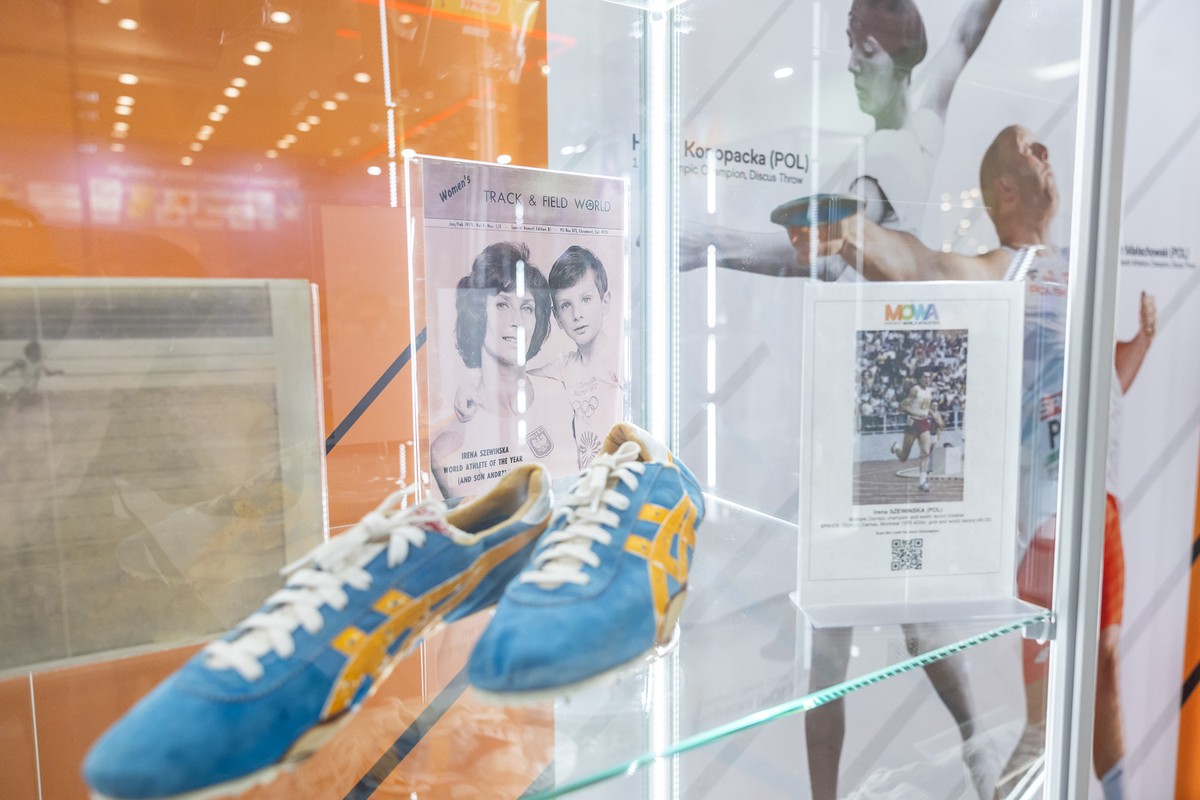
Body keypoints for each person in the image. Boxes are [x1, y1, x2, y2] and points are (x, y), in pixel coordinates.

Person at [795, 124, 1134, 800]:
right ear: (1005, 189)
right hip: (1043, 525)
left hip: (1098, 506)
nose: (1047, 154)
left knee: (1104, 674)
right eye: (1030, 148)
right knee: (1045, 717)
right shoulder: (1001, 272)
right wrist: (848, 231)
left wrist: (1139, 345)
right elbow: (922, 265)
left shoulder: (1079, 268)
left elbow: (1103, 385)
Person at [430, 242, 577, 499]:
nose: (517, 321)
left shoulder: (560, 394)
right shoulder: (450, 444)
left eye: (527, 308)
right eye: (502, 305)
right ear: (478, 315)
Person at [532, 246, 623, 467]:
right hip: (589, 480)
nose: (577, 314)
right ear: (557, 317)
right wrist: (473, 384)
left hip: (623, 475)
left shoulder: (618, 359)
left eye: (586, 299)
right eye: (566, 305)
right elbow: (516, 377)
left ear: (605, 302)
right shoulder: (565, 367)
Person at [892, 368, 944, 492]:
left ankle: (922, 482)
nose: (927, 379)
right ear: (919, 378)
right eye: (925, 377)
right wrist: (914, 413)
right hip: (913, 422)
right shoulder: (915, 390)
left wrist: (933, 414)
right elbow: (902, 406)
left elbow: (924, 407)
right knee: (904, 457)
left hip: (924, 423)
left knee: (925, 452)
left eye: (929, 377)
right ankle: (896, 448)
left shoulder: (929, 391)